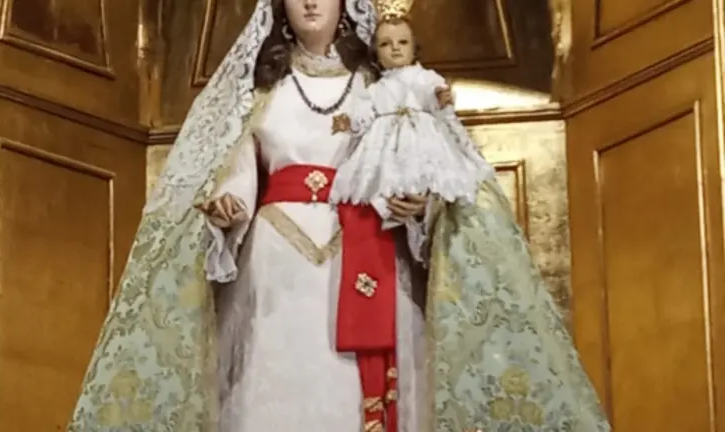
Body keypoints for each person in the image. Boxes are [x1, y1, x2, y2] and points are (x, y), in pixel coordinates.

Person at [67, 0, 612, 431]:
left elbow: (418, 158)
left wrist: (417, 205)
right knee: (272, 384)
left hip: (366, 247)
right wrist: (229, 209)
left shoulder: (381, 86)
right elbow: (239, 172)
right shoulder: (260, 90)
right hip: (274, 267)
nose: (310, 3)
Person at [329, 4, 494, 213]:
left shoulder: (424, 77)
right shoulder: (376, 89)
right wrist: (350, 122)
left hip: (421, 139)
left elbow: (431, 93)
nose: (395, 48)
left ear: (414, 48)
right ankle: (392, 203)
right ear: (376, 53)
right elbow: (366, 114)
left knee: (427, 172)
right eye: (385, 44)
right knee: (385, 178)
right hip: (386, 146)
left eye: (403, 42)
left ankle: (424, 201)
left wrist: (439, 98)